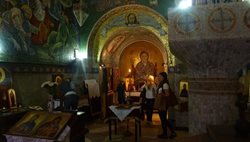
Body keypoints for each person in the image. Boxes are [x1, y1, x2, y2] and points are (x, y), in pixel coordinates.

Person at [156, 72, 176, 139]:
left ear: (163, 77)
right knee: (163, 119)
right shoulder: (161, 84)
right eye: (158, 76)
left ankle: (169, 133)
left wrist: (161, 94)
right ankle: (167, 133)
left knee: (163, 119)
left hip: (163, 103)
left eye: (160, 76)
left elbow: (167, 95)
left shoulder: (165, 84)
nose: (158, 77)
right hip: (161, 102)